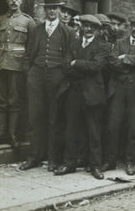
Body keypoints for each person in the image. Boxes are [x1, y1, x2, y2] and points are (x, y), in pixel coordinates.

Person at [19, 0, 73, 171]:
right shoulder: (36, 29)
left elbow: (69, 57)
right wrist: (29, 73)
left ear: (59, 10)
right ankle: (34, 157)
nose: (51, 11)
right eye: (48, 8)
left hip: (57, 77)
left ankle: (53, 159)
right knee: (35, 117)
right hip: (36, 76)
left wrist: (63, 75)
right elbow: (28, 54)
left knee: (54, 118)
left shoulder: (67, 31)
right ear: (44, 9)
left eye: (55, 8)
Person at [54, 15, 109, 180]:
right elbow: (65, 66)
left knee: (93, 132)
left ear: (97, 30)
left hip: (92, 94)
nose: (88, 29)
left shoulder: (102, 46)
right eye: (85, 26)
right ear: (81, 27)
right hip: (74, 93)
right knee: (71, 129)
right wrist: (77, 65)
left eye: (92, 27)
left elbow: (95, 66)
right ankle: (69, 164)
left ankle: (96, 166)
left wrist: (76, 62)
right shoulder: (74, 43)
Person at [103, 15, 135, 175]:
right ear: (130, 27)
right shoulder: (119, 42)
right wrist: (132, 63)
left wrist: (125, 58)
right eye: (134, 26)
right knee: (113, 125)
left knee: (134, 127)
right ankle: (110, 161)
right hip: (118, 88)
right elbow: (112, 62)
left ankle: (131, 162)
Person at [0, 0, 35, 147]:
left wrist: (26, 66)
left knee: (15, 100)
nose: (14, 1)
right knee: (0, 100)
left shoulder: (28, 21)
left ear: (21, 1)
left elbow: (32, 46)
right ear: (6, 0)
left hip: (18, 66)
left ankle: (12, 134)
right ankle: (0, 133)